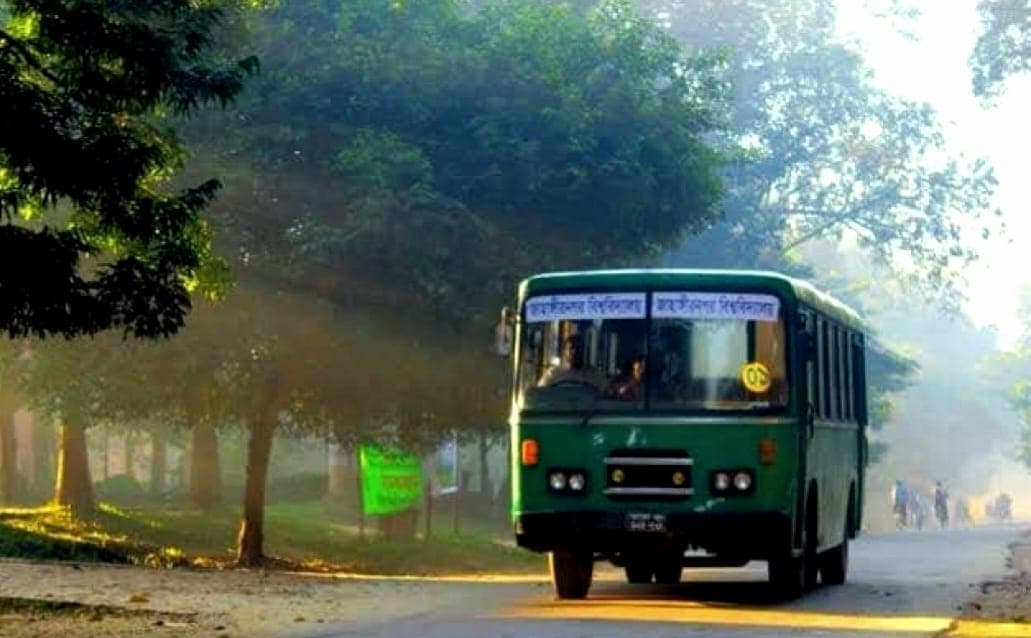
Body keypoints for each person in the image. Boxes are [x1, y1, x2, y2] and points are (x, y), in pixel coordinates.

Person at [539, 335, 607, 390]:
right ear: (564, 351)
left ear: (584, 351)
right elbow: (540, 394)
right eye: (571, 348)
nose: (574, 352)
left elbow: (606, 395)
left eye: (578, 348)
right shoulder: (553, 373)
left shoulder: (594, 375)